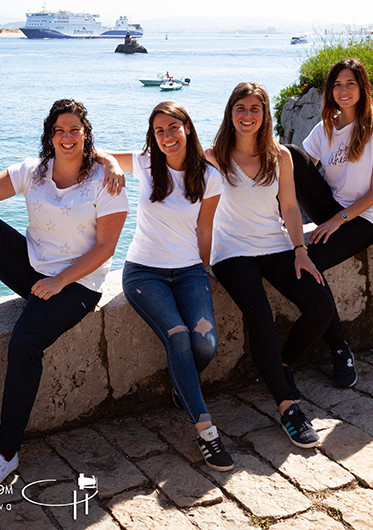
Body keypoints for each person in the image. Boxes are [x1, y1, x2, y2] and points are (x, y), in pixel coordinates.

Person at [0, 99, 128, 486]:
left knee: (24, 342)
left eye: (74, 130)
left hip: (78, 284)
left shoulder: (106, 181)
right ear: (50, 134)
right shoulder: (34, 171)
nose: (67, 137)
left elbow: (105, 249)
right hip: (33, 268)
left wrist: (59, 282)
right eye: (60, 130)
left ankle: (5, 453)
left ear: (85, 134)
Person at [96, 101, 233, 471]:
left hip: (189, 270)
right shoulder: (144, 163)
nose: (167, 136)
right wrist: (110, 164)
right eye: (159, 131)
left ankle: (181, 384)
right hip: (144, 272)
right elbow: (92, 151)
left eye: (173, 128)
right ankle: (207, 432)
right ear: (152, 137)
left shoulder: (210, 177)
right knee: (177, 335)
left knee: (203, 343)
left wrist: (205, 270)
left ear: (187, 128)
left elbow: (205, 228)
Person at [206, 82, 335, 449]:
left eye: (255, 109)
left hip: (276, 245)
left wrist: (300, 249)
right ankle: (288, 407)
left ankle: (281, 364)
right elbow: (167, 170)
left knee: (320, 305)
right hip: (230, 252)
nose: (247, 116)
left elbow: (291, 208)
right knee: (259, 314)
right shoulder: (214, 156)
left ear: (264, 115)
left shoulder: (280, 156)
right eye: (240, 108)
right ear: (230, 113)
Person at [287, 58, 373, 387]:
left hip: (365, 218)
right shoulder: (327, 126)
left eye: (350, 83)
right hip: (333, 208)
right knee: (289, 154)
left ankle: (339, 348)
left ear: (362, 87)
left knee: (308, 263)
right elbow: (303, 167)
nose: (343, 90)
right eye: (337, 85)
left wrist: (338, 220)